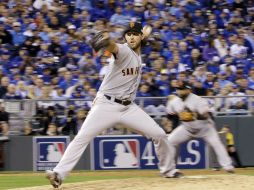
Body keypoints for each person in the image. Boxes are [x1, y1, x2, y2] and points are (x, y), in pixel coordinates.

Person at [46, 22, 181, 189]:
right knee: (82, 137)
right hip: (106, 105)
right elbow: (113, 46)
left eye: (134, 34)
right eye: (128, 34)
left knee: (159, 134)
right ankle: (58, 173)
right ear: (124, 37)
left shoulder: (137, 53)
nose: (131, 36)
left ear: (140, 37)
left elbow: (144, 41)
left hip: (128, 108)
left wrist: (144, 35)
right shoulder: (123, 50)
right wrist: (107, 39)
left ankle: (168, 170)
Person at [166, 81, 235, 174]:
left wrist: (195, 115)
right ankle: (170, 168)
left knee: (216, 143)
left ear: (188, 90)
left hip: (205, 128)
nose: (179, 92)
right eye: (178, 89)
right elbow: (169, 115)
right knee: (170, 141)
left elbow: (206, 115)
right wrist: (168, 123)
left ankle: (228, 166)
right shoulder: (174, 102)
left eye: (182, 89)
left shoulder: (198, 100)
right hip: (187, 129)